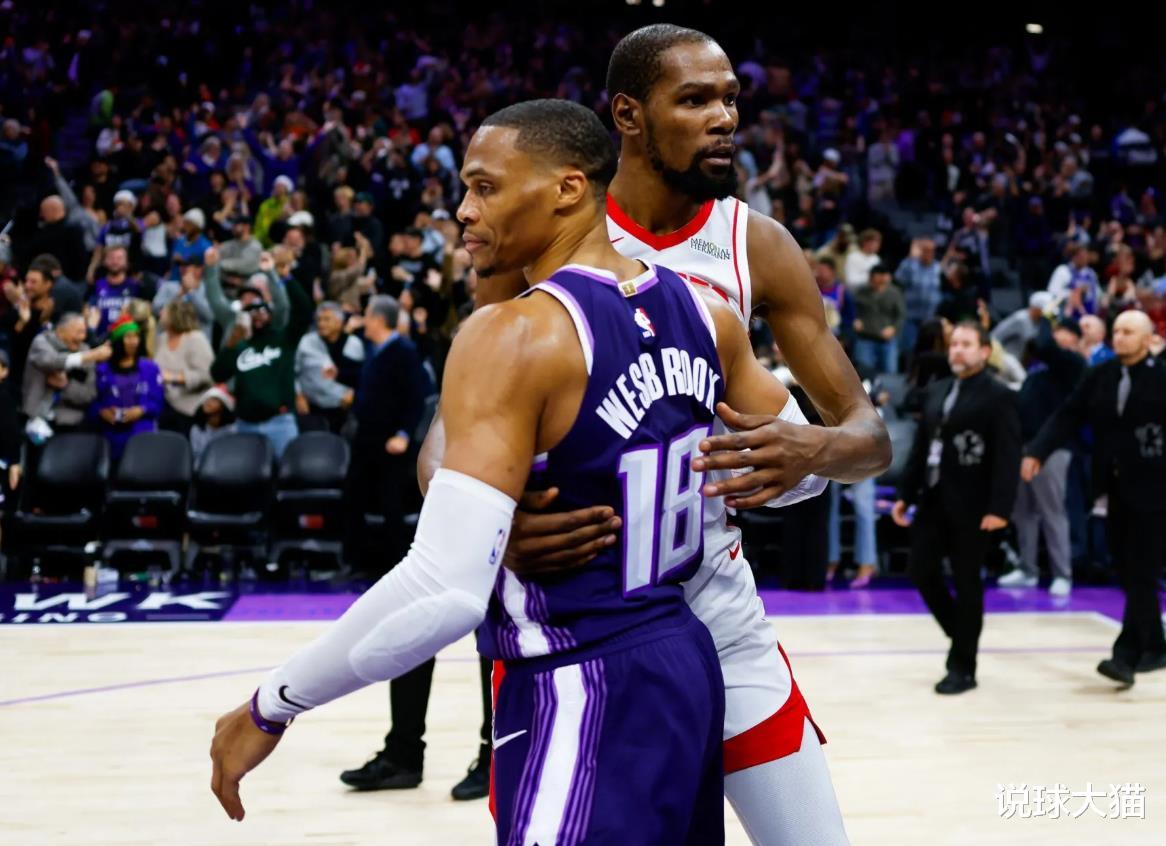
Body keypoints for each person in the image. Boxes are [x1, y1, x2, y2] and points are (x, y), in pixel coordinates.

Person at [210, 99, 795, 843]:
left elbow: (444, 588)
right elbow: (802, 464)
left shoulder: (516, 332)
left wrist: (272, 704)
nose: (463, 209)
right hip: (684, 665)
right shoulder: (702, 310)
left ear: (568, 189)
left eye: (485, 187)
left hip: (581, 679)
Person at [424, 26, 883, 844]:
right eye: (696, 100)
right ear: (629, 116)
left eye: (730, 99)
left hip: (717, 609)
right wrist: (493, 523)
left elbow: (869, 436)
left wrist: (815, 448)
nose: (724, 118)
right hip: (584, 624)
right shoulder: (542, 231)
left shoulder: (756, 244)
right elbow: (444, 439)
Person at [1024, 310, 1166, 687]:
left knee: (1141, 571)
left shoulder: (1161, 376)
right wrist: (1038, 450)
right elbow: (1068, 415)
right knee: (1128, 571)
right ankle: (1155, 646)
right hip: (1112, 488)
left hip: (1156, 490)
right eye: (1116, 330)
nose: (1119, 337)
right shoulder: (1100, 374)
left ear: (1148, 338)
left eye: (1128, 331)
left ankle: (1125, 656)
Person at [892, 322, 1022, 694]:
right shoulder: (938, 390)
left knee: (967, 582)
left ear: (985, 351)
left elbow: (1008, 455)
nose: (957, 350)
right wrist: (905, 493)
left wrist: (1000, 508)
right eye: (954, 344)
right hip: (933, 497)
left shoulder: (999, 395)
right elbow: (921, 448)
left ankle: (963, 667)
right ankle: (962, 634)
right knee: (920, 570)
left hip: (975, 503)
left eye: (966, 344)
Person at [998, 318, 1085, 596]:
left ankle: (1063, 573)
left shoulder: (1073, 364)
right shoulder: (1037, 371)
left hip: (1052, 449)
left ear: (1076, 340)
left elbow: (1045, 345)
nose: (1057, 336)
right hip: (1024, 446)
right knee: (1023, 511)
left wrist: (1046, 317)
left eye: (1064, 332)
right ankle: (1027, 568)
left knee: (1052, 510)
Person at [206, 250, 299, 458]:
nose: (252, 307)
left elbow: (283, 307)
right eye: (245, 299)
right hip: (244, 415)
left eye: (256, 300)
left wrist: (272, 274)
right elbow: (215, 300)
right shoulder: (233, 323)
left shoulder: (276, 329)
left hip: (278, 418)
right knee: (246, 471)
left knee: (287, 469)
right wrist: (211, 268)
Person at [91, 315, 165, 461]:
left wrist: (142, 409)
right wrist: (101, 412)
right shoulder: (102, 370)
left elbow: (159, 403)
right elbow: (92, 401)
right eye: (128, 337)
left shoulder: (150, 368)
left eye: (136, 337)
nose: (134, 342)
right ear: (118, 341)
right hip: (110, 437)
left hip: (142, 437)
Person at [23, 313, 110, 436]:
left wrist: (66, 385)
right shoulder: (42, 342)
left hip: (69, 422)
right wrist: (86, 357)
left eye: (84, 332)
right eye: (78, 332)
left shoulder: (85, 350)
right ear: (61, 331)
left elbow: (89, 395)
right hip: (35, 419)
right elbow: (51, 362)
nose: (82, 337)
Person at [294, 301, 362, 434]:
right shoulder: (307, 342)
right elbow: (294, 371)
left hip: (342, 408)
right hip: (312, 407)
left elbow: (361, 375)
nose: (321, 324)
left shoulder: (354, 343)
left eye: (326, 319)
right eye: (319, 319)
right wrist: (298, 395)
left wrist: (354, 393)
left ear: (339, 322)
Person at [154, 299, 215, 435]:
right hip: (165, 407)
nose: (160, 312)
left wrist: (174, 377)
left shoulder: (195, 339)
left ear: (174, 315)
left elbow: (207, 375)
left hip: (189, 411)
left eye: (165, 310)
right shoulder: (162, 338)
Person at [852, 263, 905, 376]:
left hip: (886, 340)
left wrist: (894, 329)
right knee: (862, 372)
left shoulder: (895, 293)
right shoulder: (861, 292)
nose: (879, 285)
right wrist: (855, 320)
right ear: (870, 279)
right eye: (876, 281)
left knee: (890, 374)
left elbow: (901, 315)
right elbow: (851, 310)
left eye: (882, 282)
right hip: (865, 337)